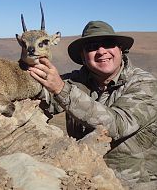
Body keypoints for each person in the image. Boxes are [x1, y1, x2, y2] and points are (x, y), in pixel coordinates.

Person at [29, 20, 157, 187]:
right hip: (83, 179)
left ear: (121, 50)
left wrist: (61, 89)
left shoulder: (144, 84)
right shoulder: (75, 81)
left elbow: (116, 126)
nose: (101, 51)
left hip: (131, 184)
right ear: (83, 57)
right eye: (92, 47)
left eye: (109, 44)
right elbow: (42, 100)